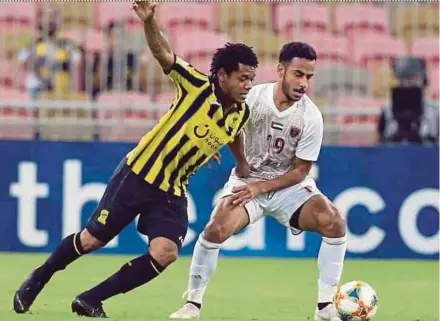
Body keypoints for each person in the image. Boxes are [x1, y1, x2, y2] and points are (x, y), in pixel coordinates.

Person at [13, 1, 258, 318]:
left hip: (172, 189)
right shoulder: (196, 86)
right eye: (243, 78)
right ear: (222, 75)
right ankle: (39, 277)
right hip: (139, 173)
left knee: (166, 252)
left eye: (251, 79)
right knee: (92, 240)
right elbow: (164, 55)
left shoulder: (242, 112)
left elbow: (233, 133)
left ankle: (90, 299)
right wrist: (149, 21)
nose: (248, 86)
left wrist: (239, 162)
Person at [169, 42, 347, 321]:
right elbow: (229, 128)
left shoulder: (311, 116)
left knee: (334, 221)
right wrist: (241, 164)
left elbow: (301, 171)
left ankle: (325, 306)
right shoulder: (254, 98)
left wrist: (258, 188)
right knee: (215, 230)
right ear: (281, 70)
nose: (304, 84)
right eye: (298, 74)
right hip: (248, 179)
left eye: (309, 77)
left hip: (288, 186)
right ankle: (193, 304)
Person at [17, 4, 82, 99]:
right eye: (45, 16)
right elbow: (21, 62)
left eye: (53, 16)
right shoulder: (29, 45)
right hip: (35, 92)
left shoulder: (69, 45)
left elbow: (77, 63)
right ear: (38, 20)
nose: (49, 20)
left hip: (61, 93)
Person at [378, 57, 439, 145]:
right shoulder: (387, 109)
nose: (407, 84)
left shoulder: (435, 111)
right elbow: (380, 143)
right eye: (403, 80)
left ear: (424, 81)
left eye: (412, 79)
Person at [91, 22, 138, 100]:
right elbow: (96, 83)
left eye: (121, 37)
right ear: (108, 38)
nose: (118, 41)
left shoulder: (131, 57)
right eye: (115, 37)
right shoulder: (100, 57)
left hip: (127, 96)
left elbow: (137, 82)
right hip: (106, 95)